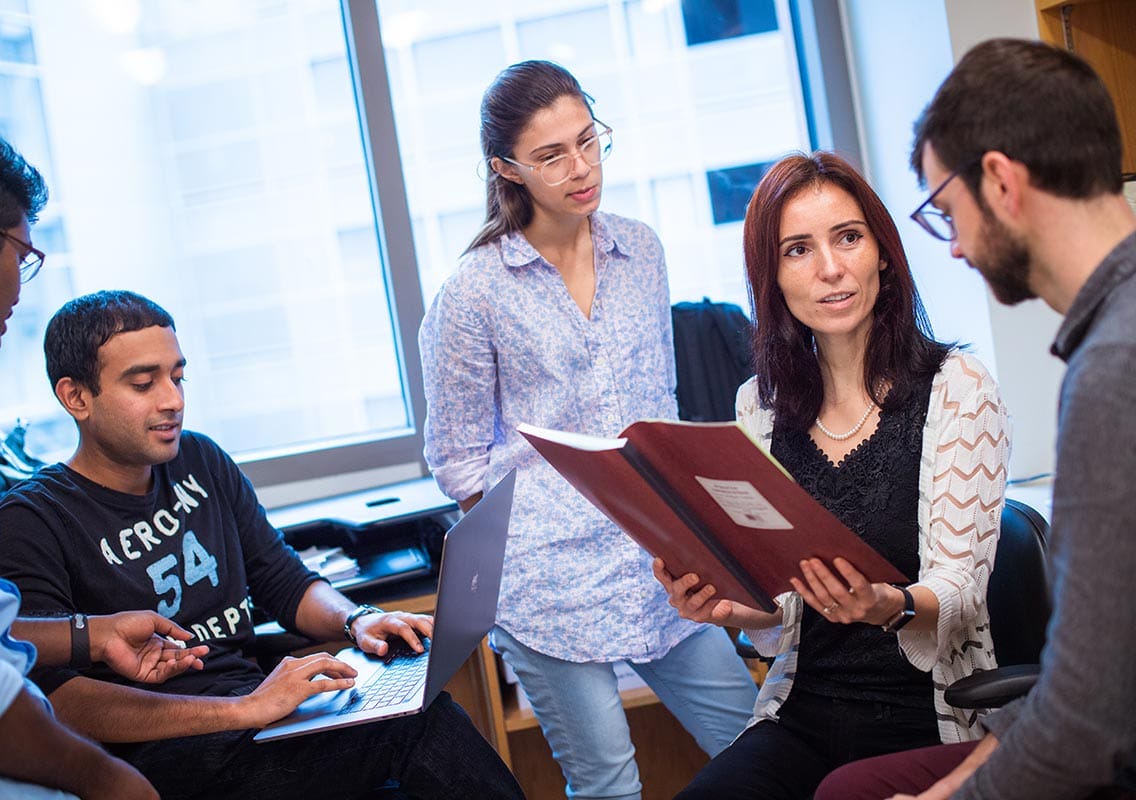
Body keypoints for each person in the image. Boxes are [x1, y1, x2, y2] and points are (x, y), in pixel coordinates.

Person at [0, 290, 526, 800]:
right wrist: (244, 710)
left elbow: (281, 578)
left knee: (415, 759)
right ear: (75, 397)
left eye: (178, 378)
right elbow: (57, 702)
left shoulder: (200, 461)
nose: (173, 401)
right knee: (415, 729)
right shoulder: (33, 519)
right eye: (143, 384)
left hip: (258, 720)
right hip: (168, 756)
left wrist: (356, 620)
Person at [418, 60, 757, 800]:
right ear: (506, 168)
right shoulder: (474, 292)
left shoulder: (642, 251)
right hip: (548, 585)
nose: (580, 168)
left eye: (588, 141)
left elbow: (657, 403)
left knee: (756, 742)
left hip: (662, 563)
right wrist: (526, 550)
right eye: (550, 156)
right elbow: (456, 458)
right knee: (607, 783)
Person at [814, 37, 1136, 800]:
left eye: (946, 211)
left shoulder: (1113, 373)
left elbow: (1087, 724)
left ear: (1000, 181)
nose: (953, 248)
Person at [655, 151, 1012, 800]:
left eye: (847, 237)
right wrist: (736, 610)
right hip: (804, 712)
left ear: (881, 251)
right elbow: (780, 622)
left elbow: (962, 589)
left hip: (924, 717)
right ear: (773, 277)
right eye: (797, 249)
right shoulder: (757, 409)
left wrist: (890, 605)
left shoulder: (957, 389)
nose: (829, 269)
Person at [0, 121, 210, 800]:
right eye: (22, 256)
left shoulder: (202, 461)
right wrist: (107, 778)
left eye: (177, 377)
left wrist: (92, 633)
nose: (20, 289)